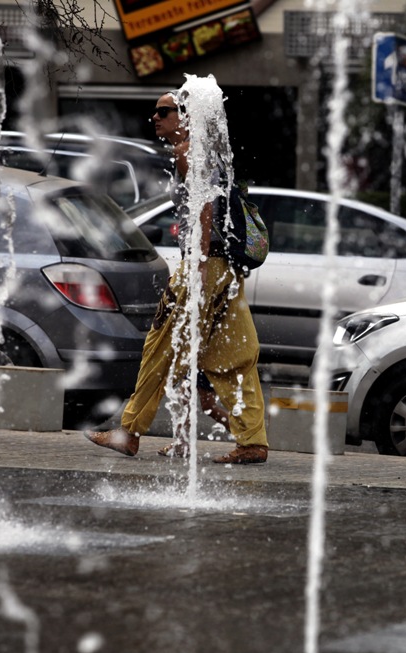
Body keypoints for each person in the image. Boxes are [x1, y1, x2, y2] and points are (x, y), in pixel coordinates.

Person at [84, 90, 269, 464]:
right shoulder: (205, 150)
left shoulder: (188, 152)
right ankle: (252, 440)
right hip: (224, 270)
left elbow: (203, 208)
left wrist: (197, 265)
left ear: (185, 116)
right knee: (235, 355)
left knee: (160, 346)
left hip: (202, 267)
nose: (155, 117)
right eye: (155, 112)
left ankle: (129, 432)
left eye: (164, 111)